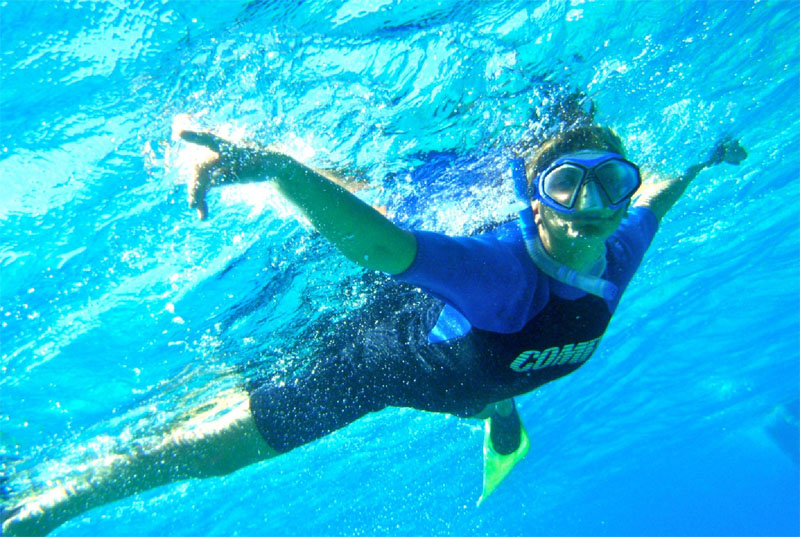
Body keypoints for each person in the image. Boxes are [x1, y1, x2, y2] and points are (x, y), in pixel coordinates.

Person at [1, 124, 746, 536]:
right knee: (208, 452)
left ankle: (498, 407)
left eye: (608, 182)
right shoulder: (499, 275)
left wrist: (707, 158)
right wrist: (279, 170)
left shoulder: (621, 248)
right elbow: (383, 247)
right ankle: (49, 507)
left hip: (475, 375)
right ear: (536, 200)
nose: (590, 204)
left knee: (491, 374)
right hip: (375, 362)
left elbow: (659, 197)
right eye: (566, 185)